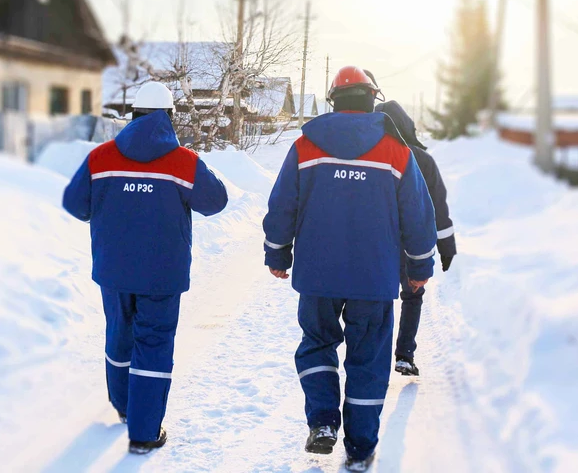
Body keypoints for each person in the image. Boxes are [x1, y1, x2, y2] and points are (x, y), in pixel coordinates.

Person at [263, 66, 438, 472]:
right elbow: (418, 215)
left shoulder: (305, 147)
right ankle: (360, 447)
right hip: (373, 279)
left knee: (317, 344)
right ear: (371, 98)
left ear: (333, 101)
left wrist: (277, 254)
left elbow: (281, 205)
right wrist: (419, 266)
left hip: (318, 275)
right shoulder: (396, 151)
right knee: (369, 360)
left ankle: (323, 423)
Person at [62, 81, 228, 455]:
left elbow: (75, 203)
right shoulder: (184, 161)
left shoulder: (101, 157)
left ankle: (123, 407)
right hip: (162, 275)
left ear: (132, 115)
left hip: (114, 270)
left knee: (120, 335)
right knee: (153, 343)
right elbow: (215, 201)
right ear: (169, 116)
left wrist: (104, 208)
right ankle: (143, 431)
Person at [375, 98, 457, 377]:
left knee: (379, 299)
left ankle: (375, 355)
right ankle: (404, 355)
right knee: (412, 296)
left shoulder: (370, 157)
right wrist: (446, 245)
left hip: (378, 243)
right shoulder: (423, 159)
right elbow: (438, 207)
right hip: (414, 244)